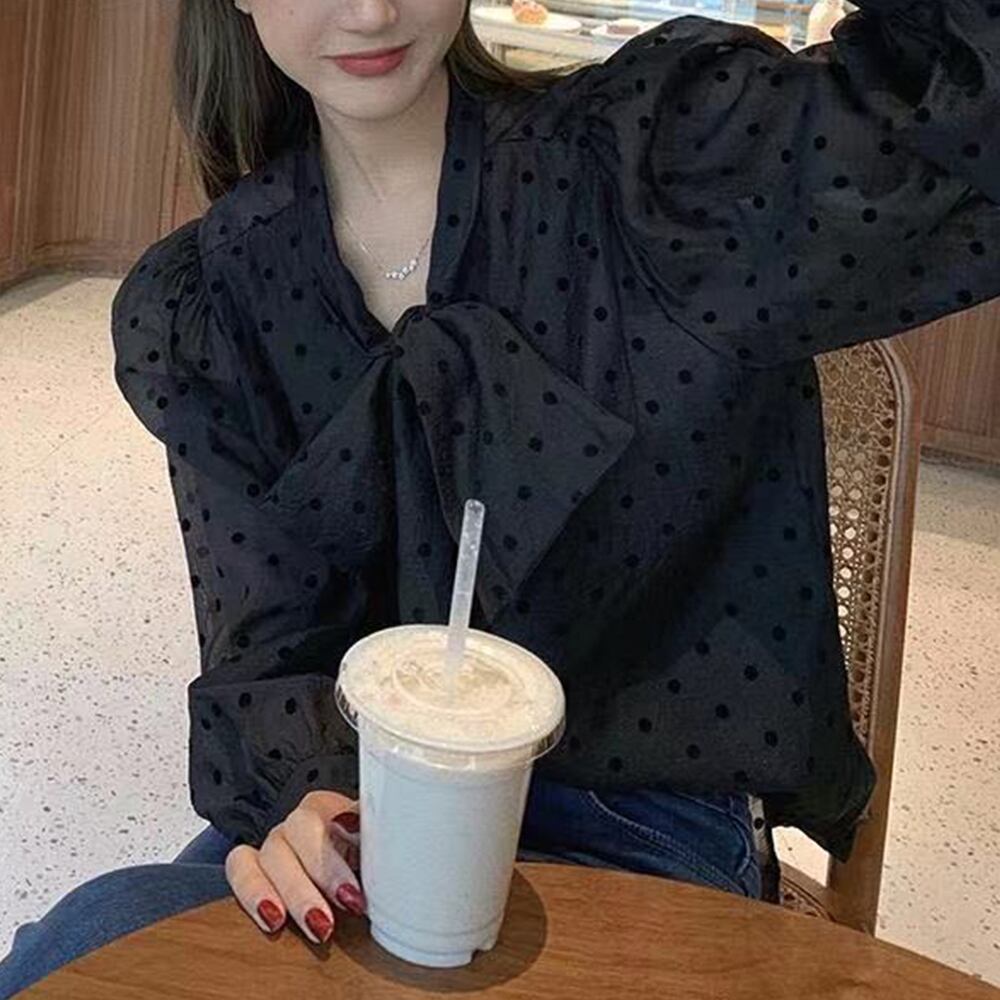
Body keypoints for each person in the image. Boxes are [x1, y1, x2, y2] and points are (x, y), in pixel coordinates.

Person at [2, 0, 998, 992]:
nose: (371, 11)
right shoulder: (217, 300)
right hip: (368, 802)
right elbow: (268, 644)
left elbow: (964, 113)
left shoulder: (664, 162)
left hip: (642, 823)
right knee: (75, 954)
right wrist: (313, 800)